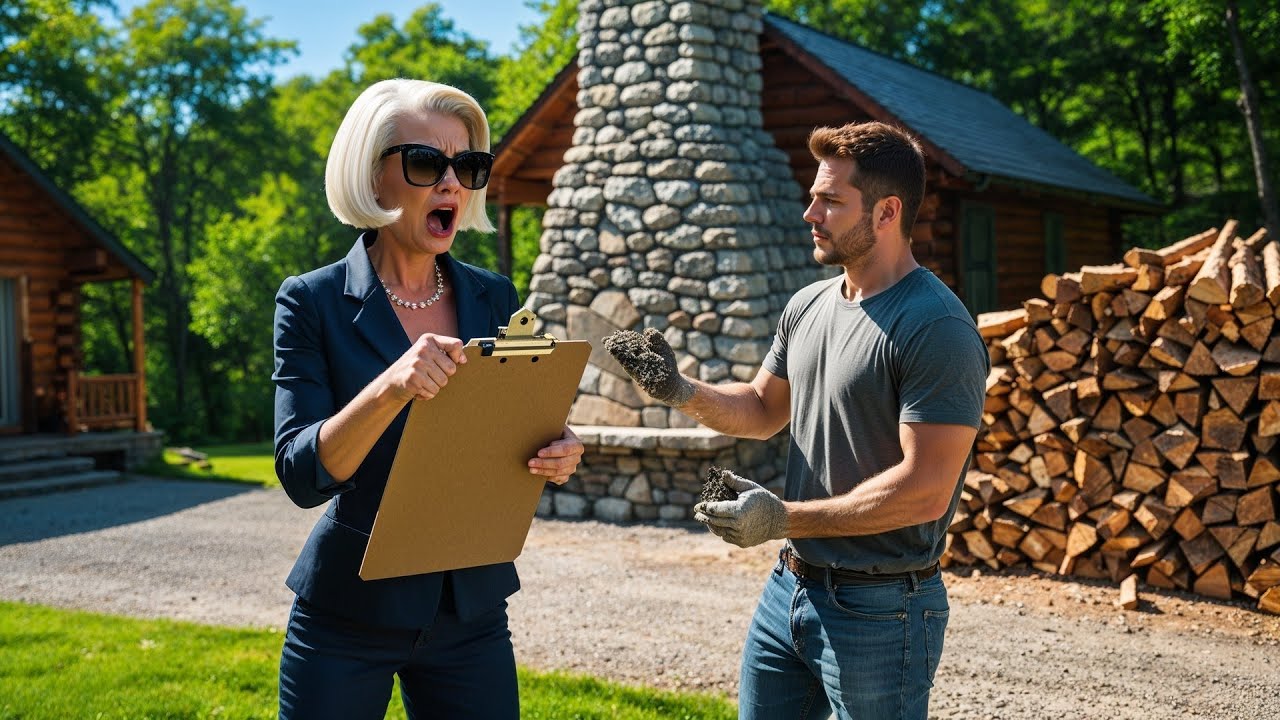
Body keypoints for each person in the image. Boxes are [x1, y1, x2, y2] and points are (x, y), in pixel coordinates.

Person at [605, 121, 988, 719]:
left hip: (883, 607)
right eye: (814, 196)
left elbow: (925, 493)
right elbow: (761, 412)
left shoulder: (936, 326)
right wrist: (680, 391)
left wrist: (782, 517)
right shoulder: (807, 305)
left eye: (831, 201)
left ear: (887, 212)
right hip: (789, 588)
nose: (810, 212)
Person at [272, 78, 584, 720]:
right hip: (346, 616)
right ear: (372, 174)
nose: (451, 183)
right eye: (425, 163)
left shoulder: (495, 296)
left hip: (470, 612)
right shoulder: (310, 301)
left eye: (467, 166)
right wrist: (390, 386)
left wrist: (554, 447)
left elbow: (499, 430)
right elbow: (302, 474)